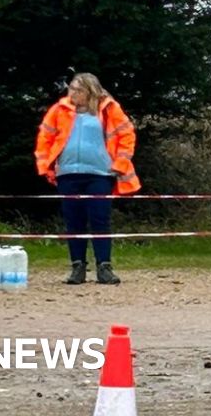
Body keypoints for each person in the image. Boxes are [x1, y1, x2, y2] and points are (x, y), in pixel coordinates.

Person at [35, 73, 140, 285]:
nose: (72, 93)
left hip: (100, 173)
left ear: (90, 91)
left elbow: (127, 136)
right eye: (71, 88)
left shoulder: (109, 109)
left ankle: (104, 267)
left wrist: (119, 164)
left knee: (100, 219)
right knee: (74, 222)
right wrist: (45, 166)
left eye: (77, 89)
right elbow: (44, 138)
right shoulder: (59, 110)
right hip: (68, 174)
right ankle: (77, 267)